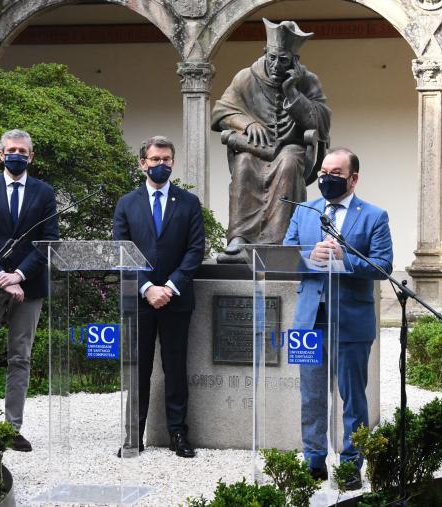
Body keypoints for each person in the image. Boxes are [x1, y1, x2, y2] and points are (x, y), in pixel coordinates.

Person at [284, 147, 393, 490]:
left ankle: (350, 465)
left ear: (353, 178)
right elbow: (285, 255)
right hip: (308, 320)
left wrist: (344, 257)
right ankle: (314, 461)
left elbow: (383, 266)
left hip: (351, 320)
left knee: (353, 398)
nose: (326, 179)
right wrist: (309, 254)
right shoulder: (304, 210)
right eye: (323, 173)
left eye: (335, 173)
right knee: (311, 395)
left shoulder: (374, 216)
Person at [0, 129, 58, 452]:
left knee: (20, 358)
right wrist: (1, 276)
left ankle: (11, 429)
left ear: (31, 156)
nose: (16, 155)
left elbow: (49, 240)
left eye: (22, 151)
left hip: (29, 286)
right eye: (11, 150)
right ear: (1, 154)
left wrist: (19, 274)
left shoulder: (44, 192)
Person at [112, 135, 205, 458]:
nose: (161, 164)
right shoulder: (127, 203)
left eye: (166, 159)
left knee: (175, 369)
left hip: (176, 299)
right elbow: (122, 251)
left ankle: (178, 434)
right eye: (155, 159)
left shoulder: (188, 202)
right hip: (139, 301)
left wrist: (170, 286)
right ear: (143, 164)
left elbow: (195, 250)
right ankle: (133, 437)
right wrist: (147, 287)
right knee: (138, 370)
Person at [211, 18, 331, 260]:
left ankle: (278, 242)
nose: (276, 65)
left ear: (294, 60)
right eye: (272, 57)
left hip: (291, 147)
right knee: (244, 163)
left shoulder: (308, 80)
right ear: (265, 51)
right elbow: (220, 112)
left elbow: (320, 121)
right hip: (255, 148)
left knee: (288, 163)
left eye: (283, 60)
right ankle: (239, 238)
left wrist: (292, 91)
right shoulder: (246, 77)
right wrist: (247, 123)